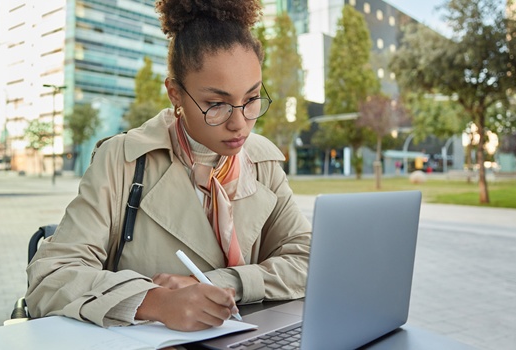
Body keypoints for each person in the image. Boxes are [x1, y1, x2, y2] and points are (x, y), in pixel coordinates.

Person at [25, 0, 311, 332]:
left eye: (250, 99)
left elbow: (309, 260)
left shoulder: (263, 160)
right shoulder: (122, 159)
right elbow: (51, 276)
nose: (240, 124)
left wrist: (224, 282)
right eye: (216, 104)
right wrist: (155, 302)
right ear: (175, 93)